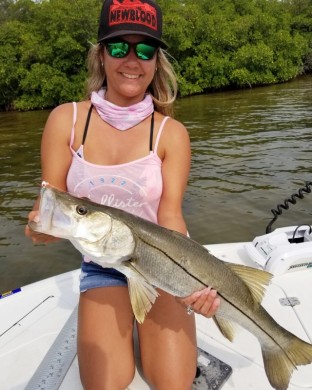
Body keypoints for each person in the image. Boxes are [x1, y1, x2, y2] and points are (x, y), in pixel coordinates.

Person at [26, 0, 220, 389]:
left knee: (173, 383)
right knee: (106, 384)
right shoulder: (67, 120)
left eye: (145, 49)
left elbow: (170, 218)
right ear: (101, 54)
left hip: (160, 262)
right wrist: (38, 228)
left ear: (156, 60)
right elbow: (48, 204)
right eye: (119, 47)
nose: (132, 60)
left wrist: (193, 280)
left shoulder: (172, 134)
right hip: (102, 265)